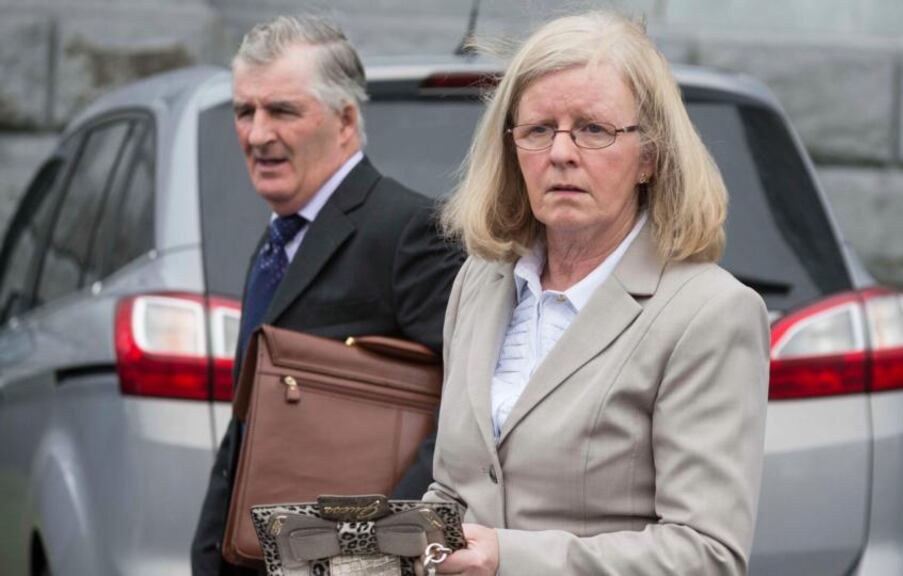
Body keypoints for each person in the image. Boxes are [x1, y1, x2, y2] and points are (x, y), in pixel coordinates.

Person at [424, 11, 770, 576]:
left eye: (593, 129)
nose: (561, 152)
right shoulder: (481, 281)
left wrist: (509, 559)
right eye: (538, 129)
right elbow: (456, 490)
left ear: (650, 157)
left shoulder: (709, 313)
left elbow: (706, 555)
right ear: (511, 146)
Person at [191, 15, 464, 576]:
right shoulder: (276, 243)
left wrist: (373, 551)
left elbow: (467, 414)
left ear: (344, 121)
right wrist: (209, 551)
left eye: (283, 111)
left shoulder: (408, 230)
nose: (257, 133)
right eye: (245, 111)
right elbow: (251, 419)